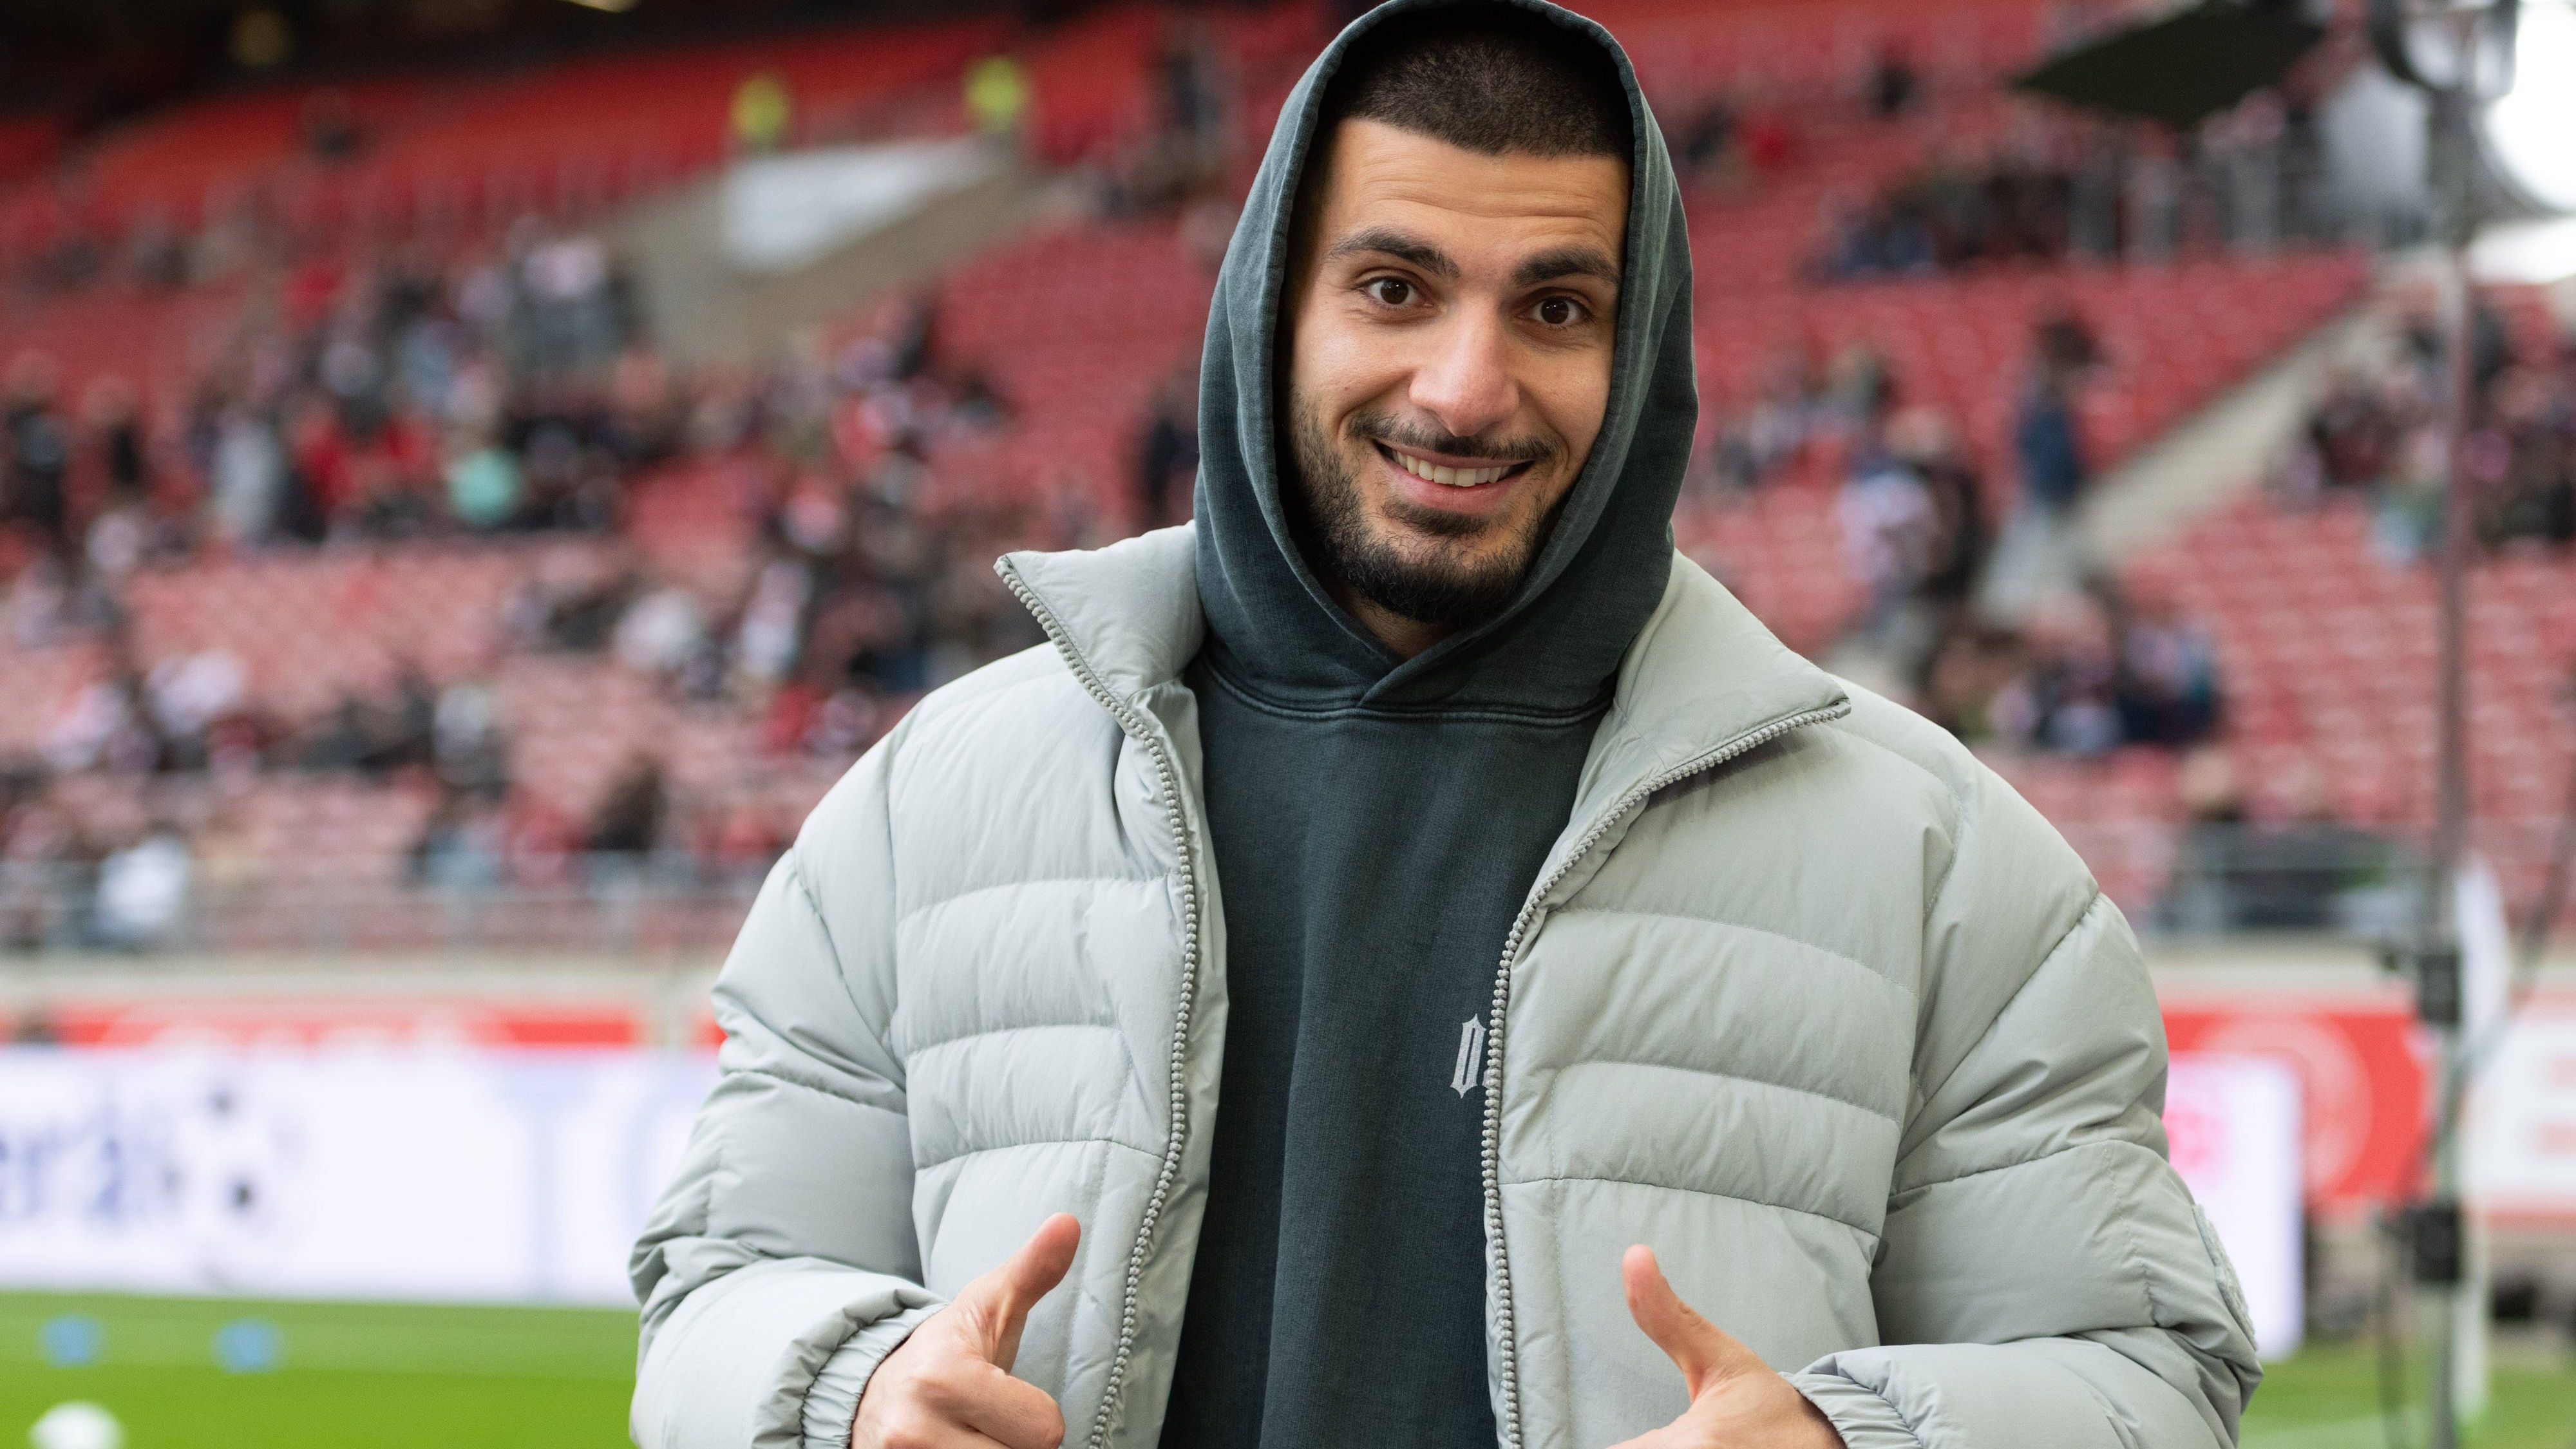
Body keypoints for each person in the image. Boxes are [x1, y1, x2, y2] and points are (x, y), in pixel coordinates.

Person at [630, 6, 2260, 1449]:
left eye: (1554, 310)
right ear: (1271, 312)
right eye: (1393, 289)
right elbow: (717, 1293)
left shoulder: (1940, 865)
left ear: (1638, 354)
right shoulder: (931, 806)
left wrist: (1857, 1440)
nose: (1464, 389)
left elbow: (2145, 1375)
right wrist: (852, 1392)